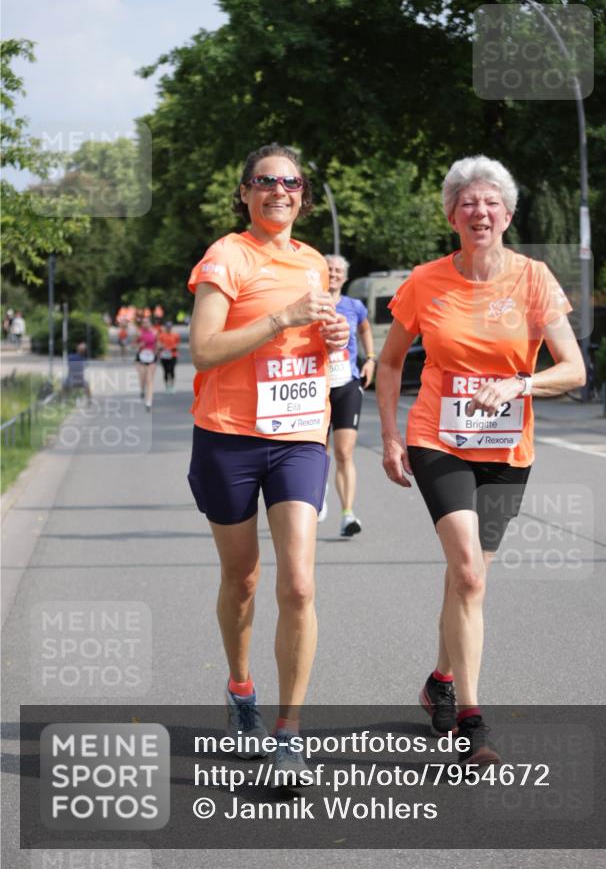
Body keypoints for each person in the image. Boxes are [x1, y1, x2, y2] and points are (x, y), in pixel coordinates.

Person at [376, 155, 585, 768]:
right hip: (437, 438)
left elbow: (573, 368)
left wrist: (519, 386)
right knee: (467, 572)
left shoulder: (534, 278)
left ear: (509, 214)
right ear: (451, 215)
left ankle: (440, 678)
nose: (480, 211)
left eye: (491, 202)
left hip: (506, 447)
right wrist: (390, 436)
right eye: (467, 202)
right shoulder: (424, 282)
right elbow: (390, 364)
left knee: (469, 577)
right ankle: (470, 717)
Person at [187, 143, 349, 780]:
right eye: (265, 181)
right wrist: (281, 316)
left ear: (303, 195)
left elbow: (317, 345)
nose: (279, 190)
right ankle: (240, 688)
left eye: (291, 182)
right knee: (244, 579)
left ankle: (289, 731)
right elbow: (202, 350)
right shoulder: (227, 256)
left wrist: (331, 337)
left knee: (299, 583)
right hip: (228, 435)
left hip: (299, 435)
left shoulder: (313, 262)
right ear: (247, 192)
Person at [320, 254, 376, 537]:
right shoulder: (312, 305)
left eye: (338, 270)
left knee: (344, 452)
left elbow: (365, 331)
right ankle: (318, 494)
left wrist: (371, 359)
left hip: (347, 385)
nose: (333, 273)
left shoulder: (354, 306)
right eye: (328, 269)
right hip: (316, 388)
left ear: (345, 276)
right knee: (319, 452)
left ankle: (347, 514)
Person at [135, 316, 158, 410]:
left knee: (150, 380)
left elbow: (157, 344)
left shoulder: (155, 332)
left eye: (147, 322)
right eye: (143, 322)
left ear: (150, 323)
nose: (145, 324)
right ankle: (142, 390)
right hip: (141, 357)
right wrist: (139, 345)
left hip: (151, 358)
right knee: (142, 379)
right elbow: (133, 345)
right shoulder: (139, 333)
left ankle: (149, 402)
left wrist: (156, 353)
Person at [157, 321, 180, 391]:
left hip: (173, 355)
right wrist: (161, 347)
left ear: (171, 327)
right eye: (167, 327)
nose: (168, 328)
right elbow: (158, 345)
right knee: (166, 371)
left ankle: (172, 386)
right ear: (165, 327)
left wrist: (174, 347)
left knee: (172, 370)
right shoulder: (161, 335)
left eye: (170, 327)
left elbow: (178, 344)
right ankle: (167, 386)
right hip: (164, 355)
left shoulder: (175, 335)